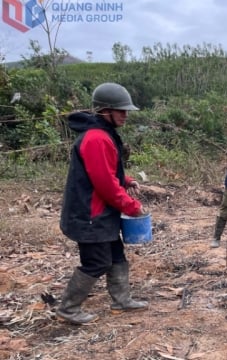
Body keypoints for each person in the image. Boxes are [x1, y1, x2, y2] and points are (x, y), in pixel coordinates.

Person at [57, 82, 148, 324]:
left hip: (99, 212)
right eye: (121, 110)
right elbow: (105, 184)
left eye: (126, 110)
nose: (125, 115)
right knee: (97, 262)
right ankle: (68, 308)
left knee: (116, 255)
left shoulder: (102, 134)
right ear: (104, 111)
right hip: (90, 214)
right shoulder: (97, 138)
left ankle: (122, 299)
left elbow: (104, 171)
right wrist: (131, 205)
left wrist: (125, 180)